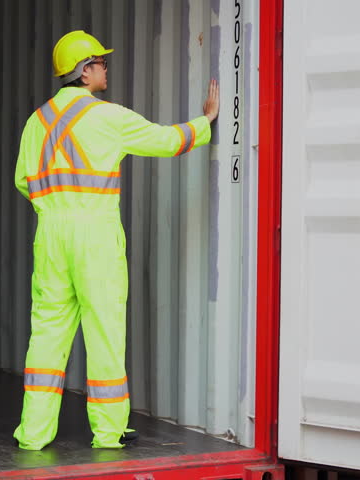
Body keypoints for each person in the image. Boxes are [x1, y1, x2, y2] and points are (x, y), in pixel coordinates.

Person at [13, 30, 220, 450]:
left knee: (48, 333)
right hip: (95, 236)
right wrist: (205, 121)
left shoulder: (36, 122)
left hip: (50, 235)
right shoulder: (108, 117)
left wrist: (57, 206)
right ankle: (108, 432)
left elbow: (22, 180)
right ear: (85, 71)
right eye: (101, 62)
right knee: (104, 330)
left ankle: (33, 434)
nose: (107, 68)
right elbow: (166, 141)